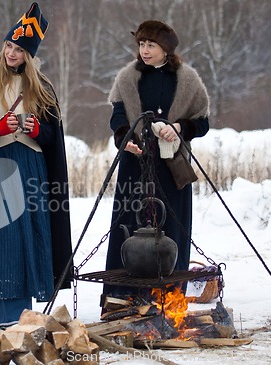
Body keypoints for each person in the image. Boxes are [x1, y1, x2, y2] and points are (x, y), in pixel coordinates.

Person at [0, 3, 72, 328]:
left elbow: (53, 137)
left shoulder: (43, 88)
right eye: (9, 45)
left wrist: (37, 129)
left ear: (29, 55)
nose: (12, 53)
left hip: (32, 170)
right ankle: (2, 313)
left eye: (19, 49)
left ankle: (25, 313)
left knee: (28, 237)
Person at [102, 20, 210, 303]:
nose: (145, 50)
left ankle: (168, 298)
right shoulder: (128, 77)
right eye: (141, 44)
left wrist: (179, 128)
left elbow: (202, 122)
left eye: (151, 45)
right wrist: (126, 138)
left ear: (166, 49)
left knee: (172, 227)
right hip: (134, 166)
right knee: (128, 226)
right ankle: (122, 297)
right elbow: (117, 118)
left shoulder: (187, 79)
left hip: (171, 167)